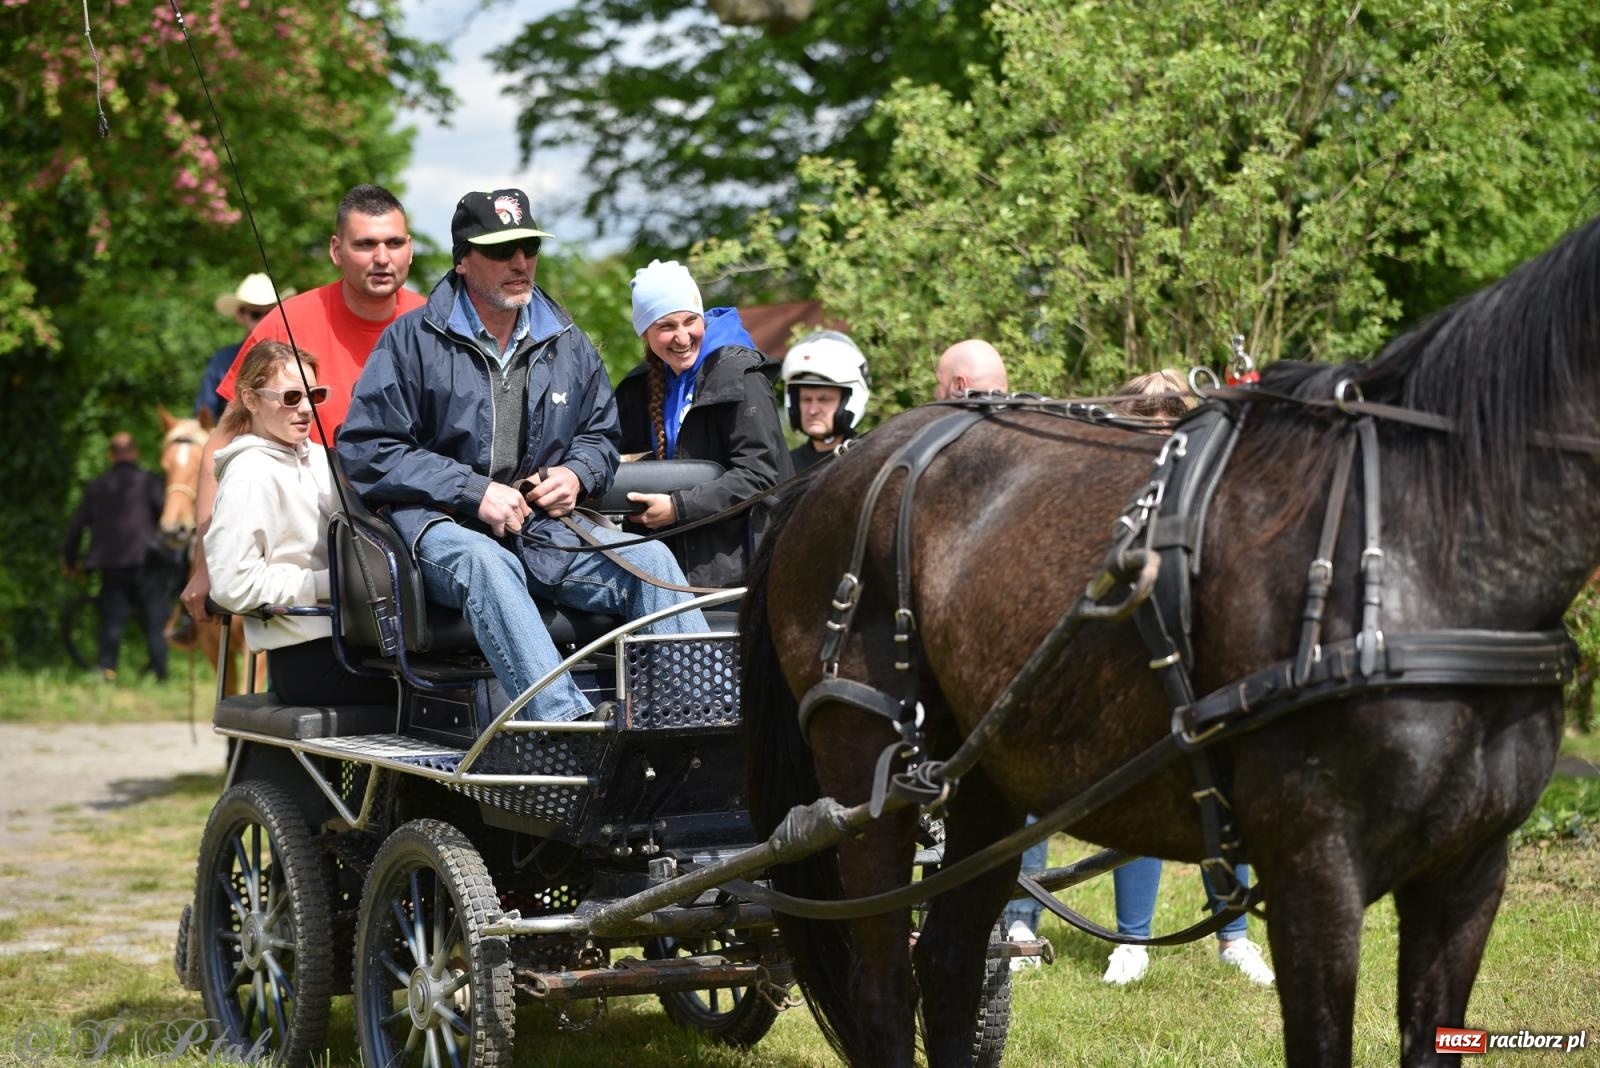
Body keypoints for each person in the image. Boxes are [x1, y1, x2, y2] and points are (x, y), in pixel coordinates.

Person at [338, 188, 708, 722]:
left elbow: (601, 439)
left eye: (529, 247)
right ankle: (565, 726)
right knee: (485, 563)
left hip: (542, 530)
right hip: (436, 527)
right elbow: (368, 449)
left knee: (649, 560)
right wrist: (473, 491)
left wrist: (576, 475)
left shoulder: (569, 342)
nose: (519, 262)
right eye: (501, 250)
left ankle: (694, 720)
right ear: (463, 260)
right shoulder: (411, 341)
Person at [1099, 370, 1273, 988]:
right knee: (1141, 793)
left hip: (1206, 660)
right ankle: (1132, 941)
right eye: (1146, 415)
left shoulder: (1211, 483)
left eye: (1169, 414)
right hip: (1133, 660)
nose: (1158, 426)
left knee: (1221, 794)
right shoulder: (1107, 488)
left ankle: (1234, 937)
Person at [182, 184, 423, 625]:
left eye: (393, 242)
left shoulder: (434, 324)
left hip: (416, 549)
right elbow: (222, 443)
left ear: (409, 248)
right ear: (337, 250)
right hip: (309, 568)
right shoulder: (286, 323)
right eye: (365, 244)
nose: (382, 257)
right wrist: (204, 563)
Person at [204, 341, 394, 705]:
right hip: (306, 656)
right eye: (291, 397)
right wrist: (332, 585)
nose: (307, 408)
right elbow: (230, 585)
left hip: (357, 640)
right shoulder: (249, 474)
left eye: (314, 395)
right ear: (251, 399)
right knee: (433, 697)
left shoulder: (325, 460)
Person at [614, 260, 793, 587]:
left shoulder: (740, 376)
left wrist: (677, 508)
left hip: (743, 574)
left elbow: (761, 476)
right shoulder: (638, 388)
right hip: (667, 573)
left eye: (689, 321)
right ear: (645, 332)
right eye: (666, 326)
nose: (682, 337)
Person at [64, 433, 168, 682]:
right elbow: (168, 517)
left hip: (112, 566)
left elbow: (76, 527)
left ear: (111, 455)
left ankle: (107, 670)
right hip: (148, 562)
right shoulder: (149, 482)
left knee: (112, 620)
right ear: (135, 453)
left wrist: (70, 561)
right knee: (155, 620)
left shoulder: (97, 487)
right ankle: (159, 673)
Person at [196, 273, 295, 423]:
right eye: (256, 314)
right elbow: (205, 416)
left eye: (270, 313)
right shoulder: (222, 361)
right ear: (239, 315)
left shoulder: (295, 357)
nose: (264, 320)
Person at [778, 330, 870, 472]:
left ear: (847, 402)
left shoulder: (870, 460)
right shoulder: (784, 468)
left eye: (824, 400)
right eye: (806, 399)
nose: (812, 410)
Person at [934, 338, 1009, 399]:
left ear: (959, 386)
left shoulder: (938, 417)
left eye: (939, 383)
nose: (935, 394)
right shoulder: (1018, 414)